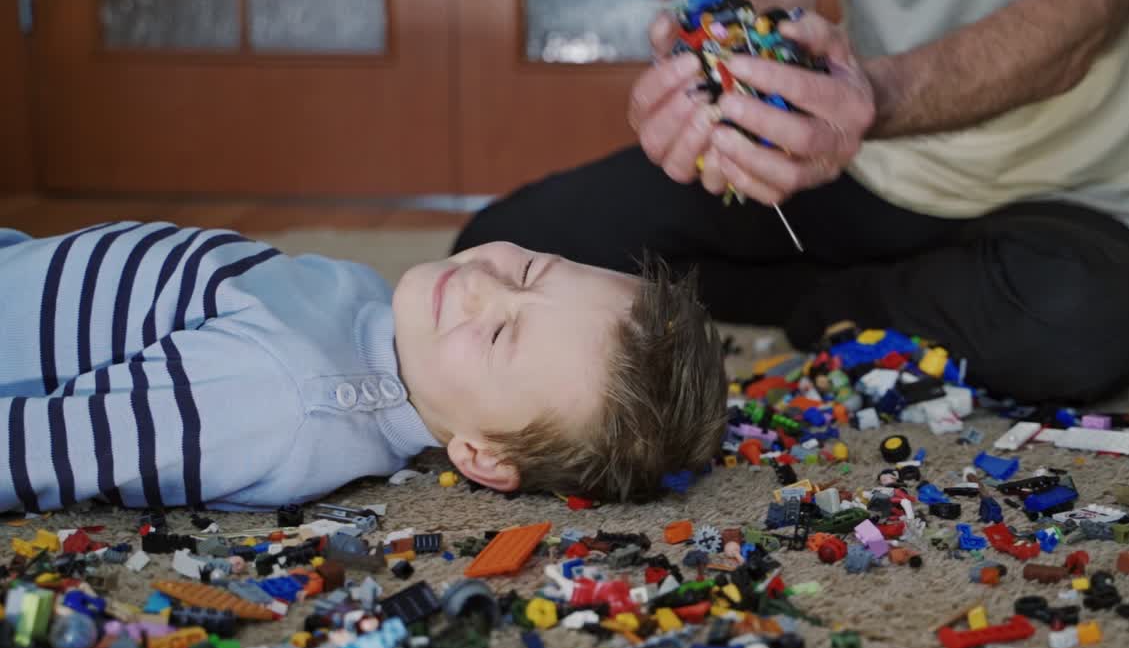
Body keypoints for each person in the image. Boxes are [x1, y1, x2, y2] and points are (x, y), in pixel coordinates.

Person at [453, 0, 1129, 404]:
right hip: (859, 159)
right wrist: (735, 60)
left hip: (1074, 195)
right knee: (509, 241)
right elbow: (771, 5)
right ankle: (864, 301)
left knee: (1082, 326)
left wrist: (867, 96)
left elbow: (1076, 26)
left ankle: (834, 297)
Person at [0, 222, 727, 512]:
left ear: (481, 455)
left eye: (503, 336)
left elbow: (40, 450)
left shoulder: (282, 399)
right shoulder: (388, 326)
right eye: (532, 268)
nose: (483, 285)